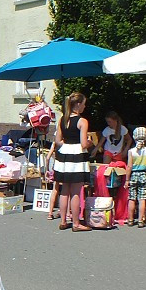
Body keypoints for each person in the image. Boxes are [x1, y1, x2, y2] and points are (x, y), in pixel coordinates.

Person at [52, 92, 92, 232]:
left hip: (64, 155)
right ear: (79, 104)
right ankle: (76, 223)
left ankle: (63, 221)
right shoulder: (82, 121)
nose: (85, 106)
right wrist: (90, 142)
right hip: (76, 156)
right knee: (76, 191)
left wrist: (65, 145)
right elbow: (83, 143)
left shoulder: (63, 119)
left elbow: (57, 141)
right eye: (84, 104)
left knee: (64, 190)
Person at [127, 126, 146, 227]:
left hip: (133, 175)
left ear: (134, 137)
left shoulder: (131, 151)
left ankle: (130, 219)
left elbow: (129, 166)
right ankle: (141, 220)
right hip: (144, 175)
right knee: (142, 199)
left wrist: (127, 179)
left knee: (132, 198)